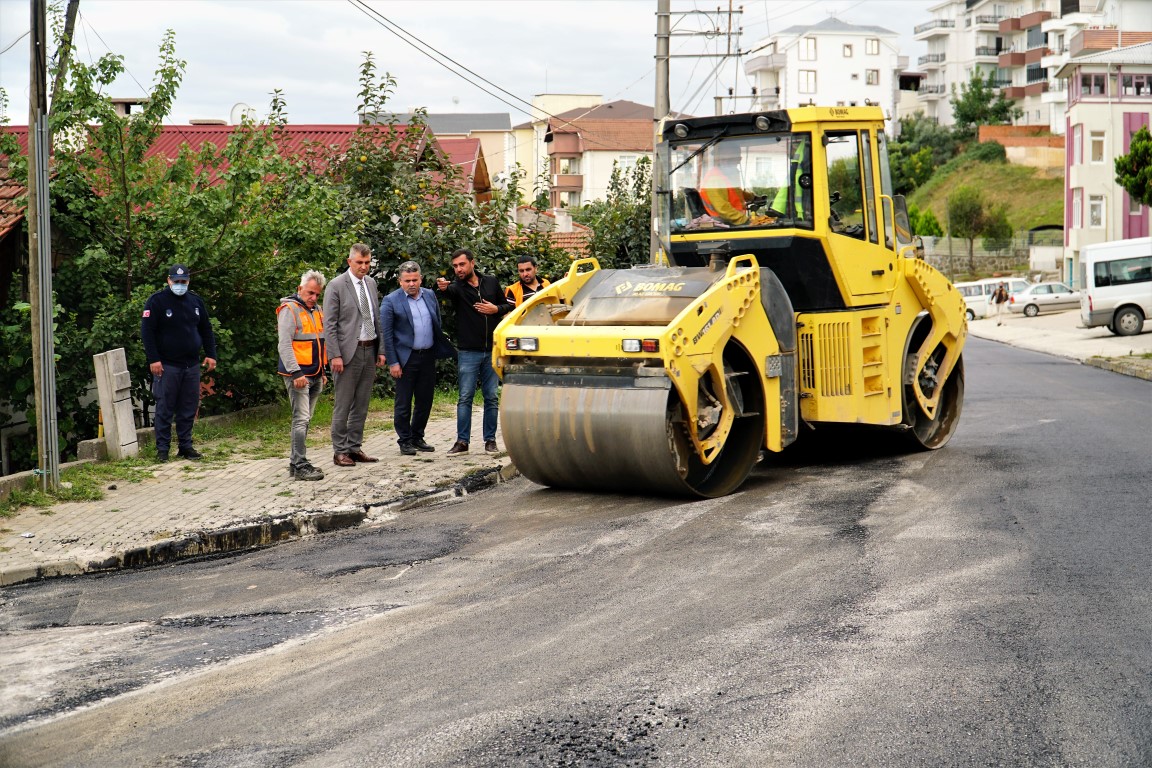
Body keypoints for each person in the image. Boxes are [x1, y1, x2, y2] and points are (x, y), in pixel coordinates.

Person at [435, 248, 512, 455]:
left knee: (491, 397)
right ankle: (462, 442)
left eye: (462, 264)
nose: (458, 269)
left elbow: (507, 305)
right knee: (465, 397)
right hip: (469, 352)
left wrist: (496, 309)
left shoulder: (491, 282)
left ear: (472, 263)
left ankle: (490, 441)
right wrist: (442, 286)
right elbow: (444, 290)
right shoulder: (456, 288)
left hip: (492, 349)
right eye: (455, 266)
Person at [141, 264, 217, 462]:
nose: (180, 285)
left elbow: (206, 329)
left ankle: (185, 446)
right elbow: (147, 332)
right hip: (167, 365)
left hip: (191, 365)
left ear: (188, 281)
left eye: (183, 282)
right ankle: (162, 450)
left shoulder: (195, 301)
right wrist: (154, 359)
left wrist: (211, 354)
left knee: (188, 407)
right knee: (165, 408)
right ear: (168, 280)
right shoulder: (157, 301)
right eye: (176, 281)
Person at [380, 261, 456, 455]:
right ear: (400, 281)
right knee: (404, 401)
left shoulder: (429, 295)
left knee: (425, 400)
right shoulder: (391, 300)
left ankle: (417, 436)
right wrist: (393, 362)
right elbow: (387, 335)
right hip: (406, 358)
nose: (412, 284)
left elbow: (436, 322)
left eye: (415, 280)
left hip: (428, 355)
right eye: (407, 281)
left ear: (421, 279)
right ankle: (404, 440)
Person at [324, 243, 386, 467]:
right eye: (359, 262)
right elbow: (329, 325)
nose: (364, 267)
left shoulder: (370, 283)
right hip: (347, 352)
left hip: (369, 349)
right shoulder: (336, 285)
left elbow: (375, 318)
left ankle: (354, 447)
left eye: (367, 263)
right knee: (344, 404)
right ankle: (339, 451)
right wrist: (334, 355)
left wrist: (381, 349)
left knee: (362, 403)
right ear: (350, 261)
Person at [277, 269, 328, 481]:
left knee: (305, 420)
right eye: (309, 293)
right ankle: (299, 465)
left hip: (315, 373)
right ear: (300, 289)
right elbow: (284, 344)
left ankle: (296, 462)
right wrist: (295, 372)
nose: (313, 298)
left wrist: (323, 371)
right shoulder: (290, 309)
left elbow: (320, 342)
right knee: (301, 419)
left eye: (317, 294)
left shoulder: (317, 310)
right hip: (299, 374)